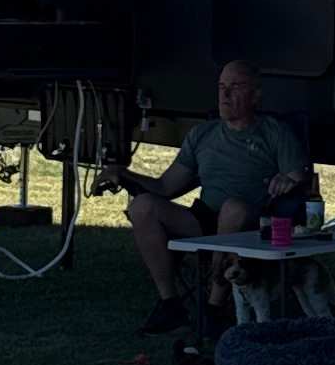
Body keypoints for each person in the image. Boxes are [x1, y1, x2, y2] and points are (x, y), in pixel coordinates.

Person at [122, 60, 314, 331]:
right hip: (204, 218)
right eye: (221, 87)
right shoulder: (202, 134)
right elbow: (165, 186)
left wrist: (288, 179)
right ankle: (170, 303)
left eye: (235, 87)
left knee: (233, 208)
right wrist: (123, 174)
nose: (225, 95)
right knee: (142, 206)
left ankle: (213, 307)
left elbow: (299, 175)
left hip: (251, 223)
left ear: (255, 95)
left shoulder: (274, 132)